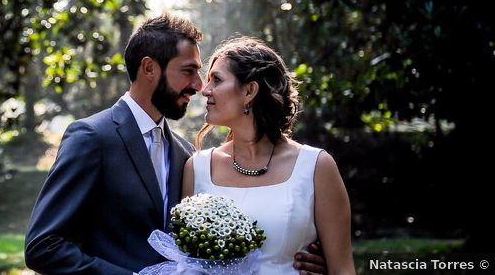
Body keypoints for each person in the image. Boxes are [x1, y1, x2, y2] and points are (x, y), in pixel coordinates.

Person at [25, 15, 327, 275]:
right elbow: (44, 245)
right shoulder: (91, 138)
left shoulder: (185, 156)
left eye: (203, 74)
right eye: (188, 71)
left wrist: (297, 257)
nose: (198, 85)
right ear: (149, 69)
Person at [182, 36, 354, 275]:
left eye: (217, 80)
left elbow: (342, 269)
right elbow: (184, 263)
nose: (205, 90)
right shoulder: (197, 168)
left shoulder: (316, 167)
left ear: (250, 91)